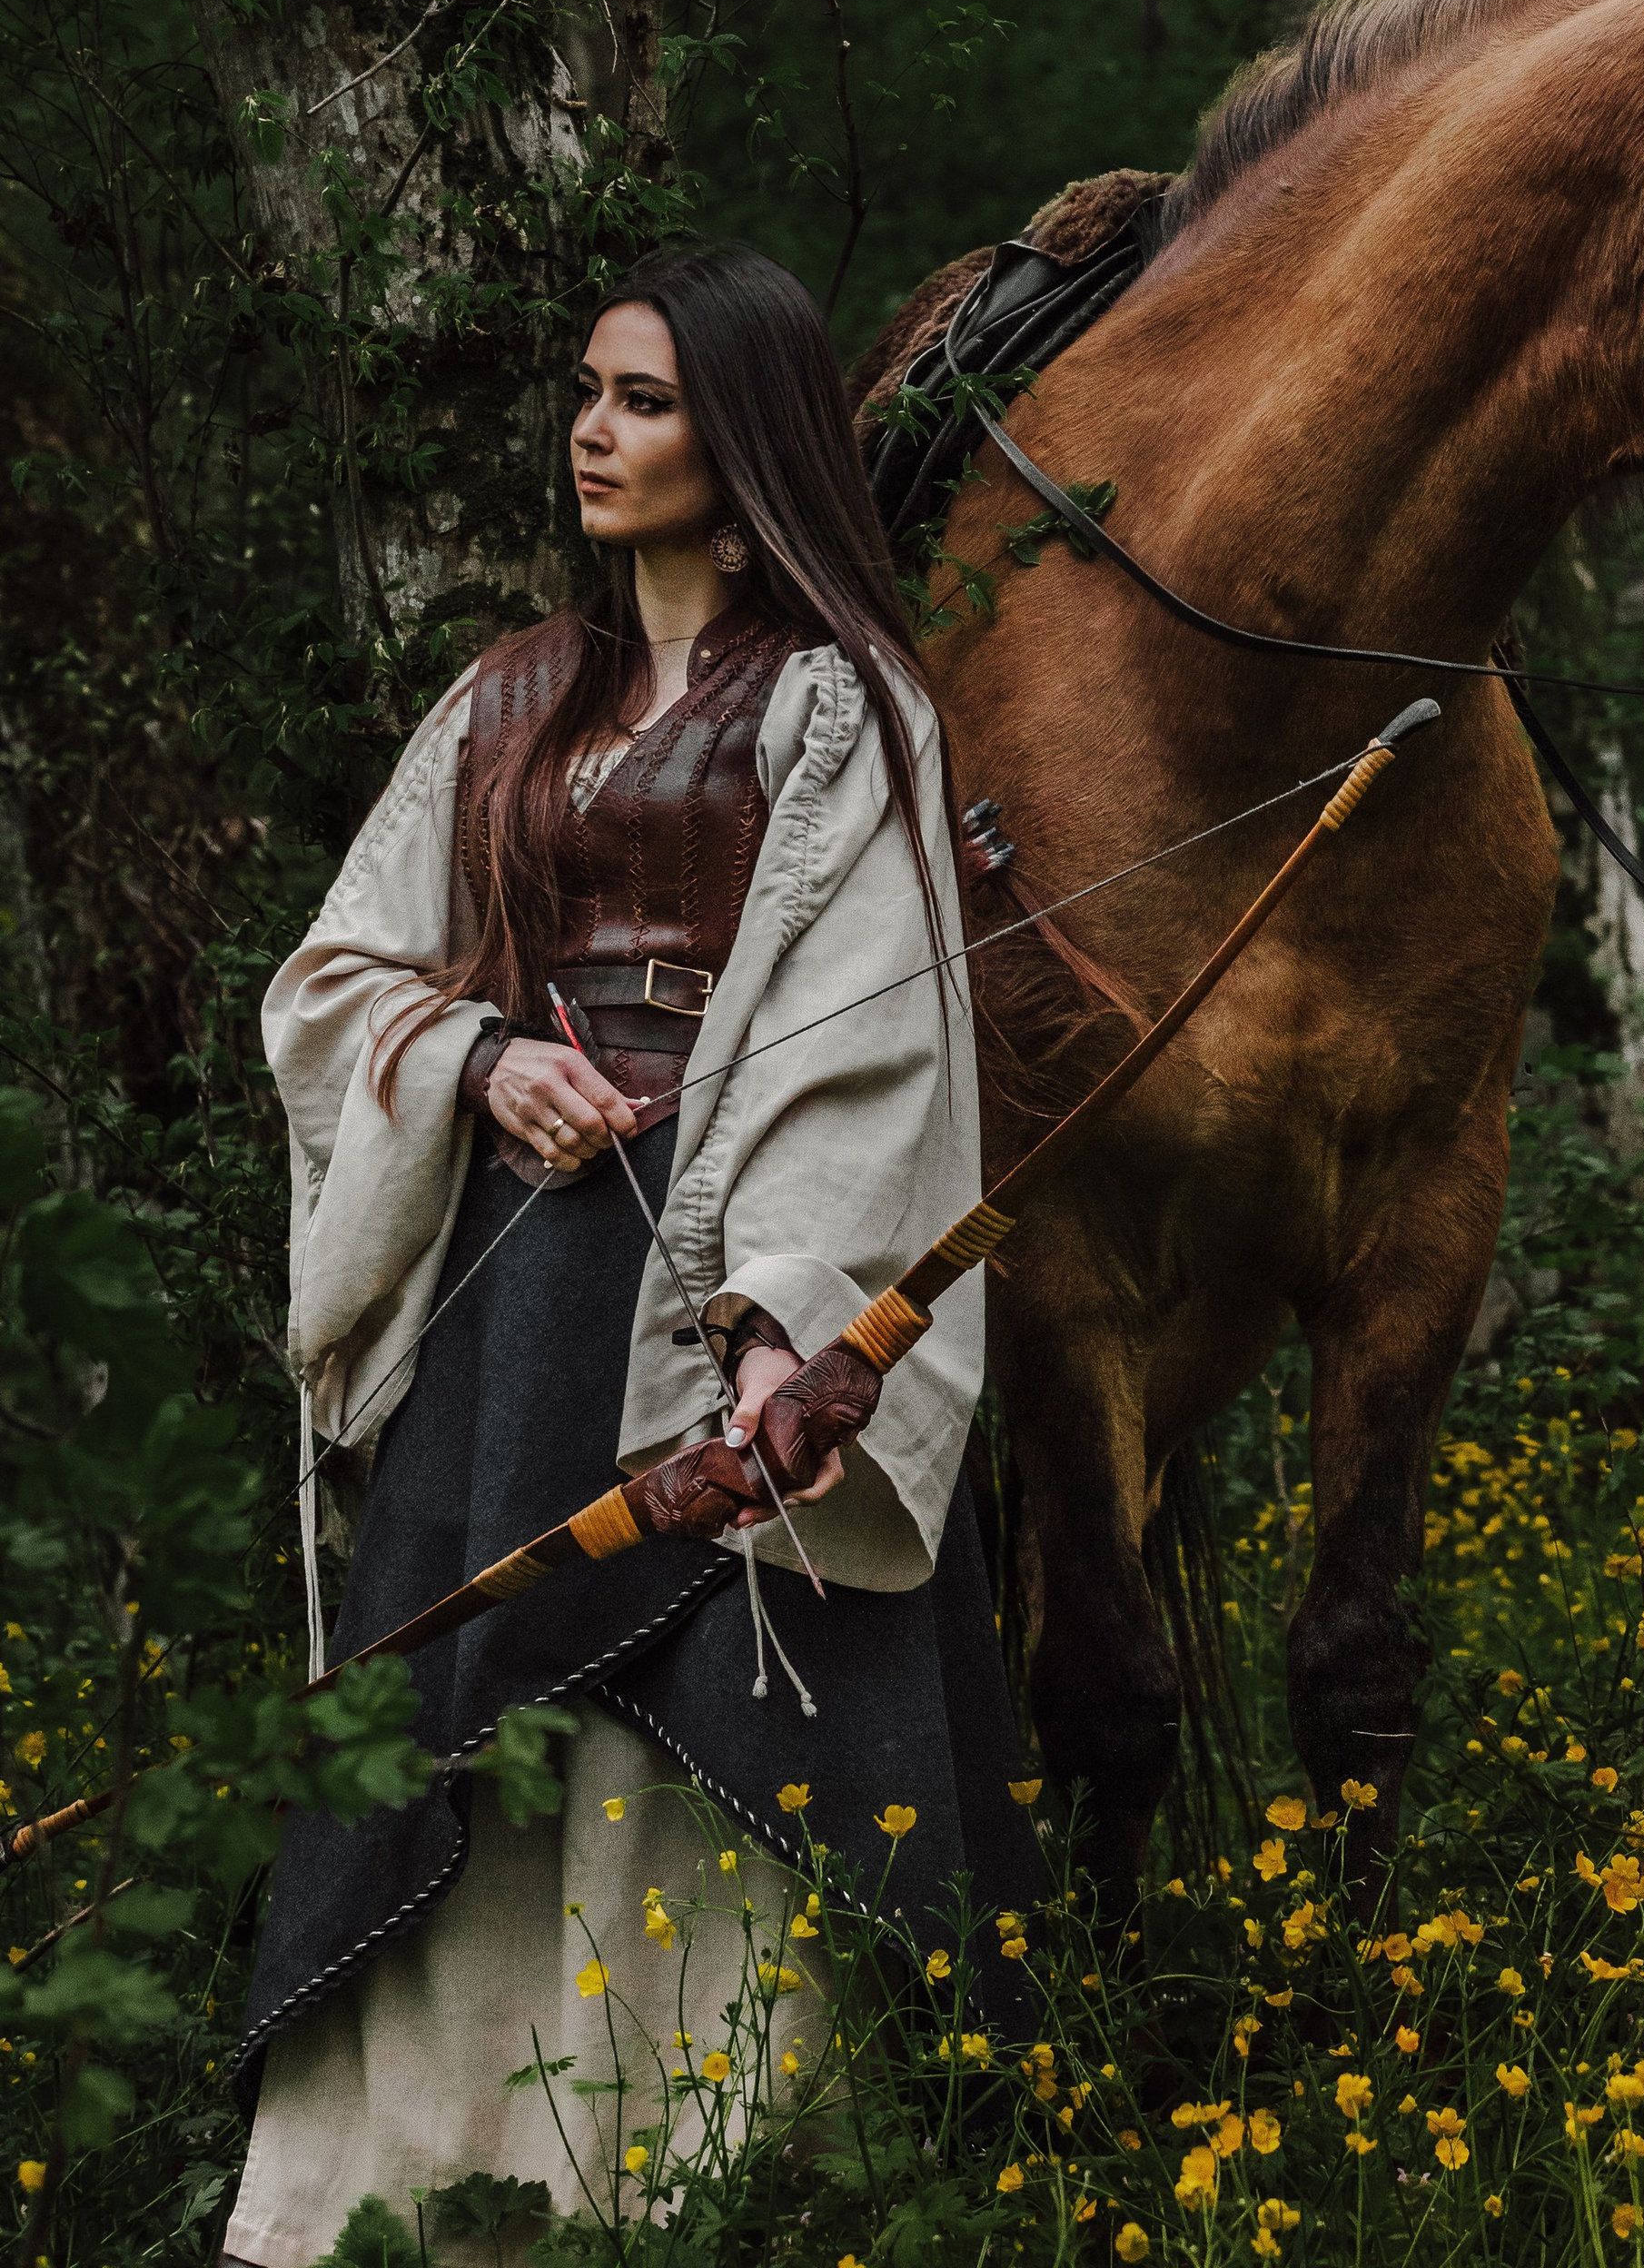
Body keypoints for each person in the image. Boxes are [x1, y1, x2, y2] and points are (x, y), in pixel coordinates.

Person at [224, 243, 1038, 2265]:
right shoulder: (510, 693)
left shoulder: (840, 706)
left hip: (712, 1288)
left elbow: (865, 1033)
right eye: (588, 392)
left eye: (647, 401)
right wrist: (481, 1054)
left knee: (704, 1718)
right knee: (471, 1707)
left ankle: (699, 2185)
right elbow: (330, 980)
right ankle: (400, 2193)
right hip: (509, 1287)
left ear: (741, 431)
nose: (596, 432)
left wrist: (789, 1337)